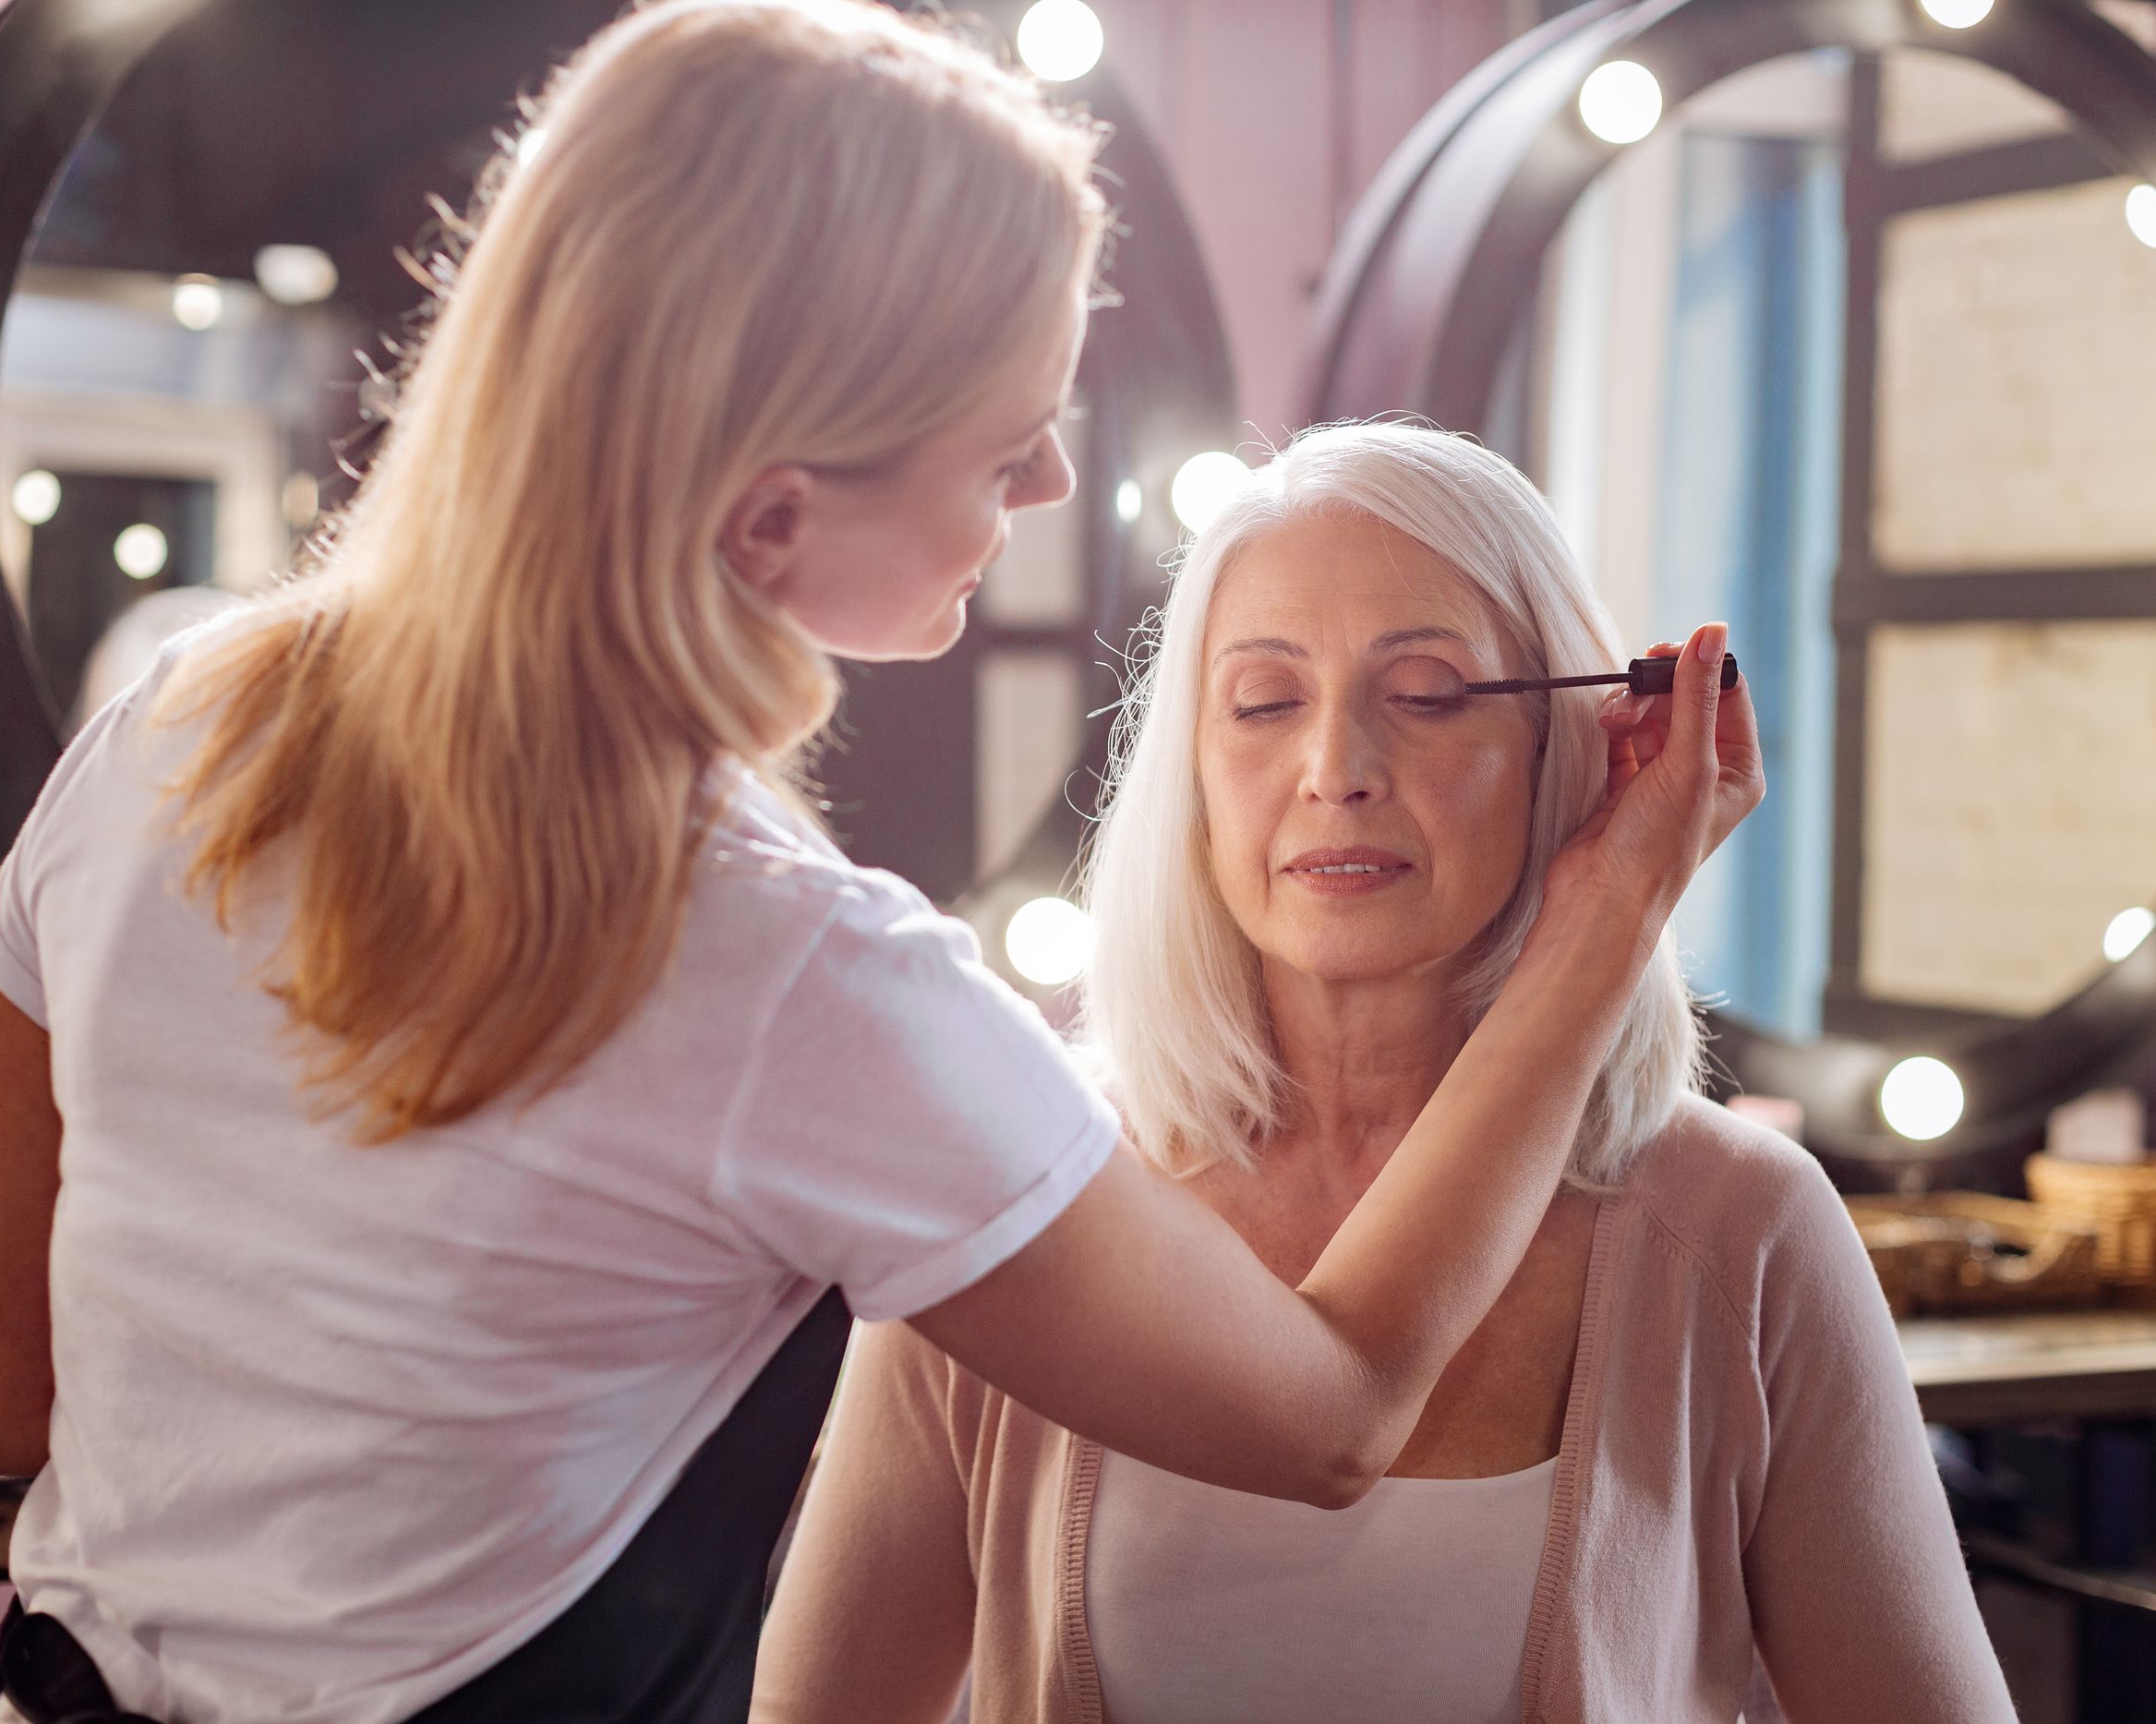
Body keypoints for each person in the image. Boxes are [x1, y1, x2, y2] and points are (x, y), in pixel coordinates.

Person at [0, 6, 1757, 1721]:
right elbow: (1336, 1416)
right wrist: (1608, 912)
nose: (1038, 492)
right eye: (1005, 437)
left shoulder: (172, 726)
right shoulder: (800, 977)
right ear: (774, 511)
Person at [753, 425, 2013, 1724]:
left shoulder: (1739, 1231)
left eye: (1426, 696)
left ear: (1565, 748)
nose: (1337, 771)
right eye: (1262, 703)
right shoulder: (1020, 1198)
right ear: (1190, 763)